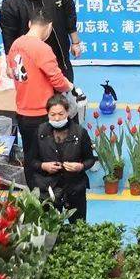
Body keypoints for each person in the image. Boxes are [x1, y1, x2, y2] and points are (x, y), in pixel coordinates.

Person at [9, 14, 73, 180]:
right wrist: (69, 86)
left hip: (22, 111)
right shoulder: (42, 48)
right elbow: (57, 80)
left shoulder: (16, 44)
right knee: (50, 158)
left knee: (31, 157)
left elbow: (11, 72)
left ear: (30, 23)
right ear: (49, 26)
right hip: (42, 114)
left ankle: (33, 197)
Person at [0, 0, 81, 83]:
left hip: (58, 55)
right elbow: (8, 37)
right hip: (29, 58)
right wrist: (10, 63)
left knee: (63, 87)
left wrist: (75, 43)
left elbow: (70, 18)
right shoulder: (11, 4)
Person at [34, 92, 95, 220]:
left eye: (61, 114)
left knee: (78, 226)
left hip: (74, 188)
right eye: (53, 114)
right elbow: (31, 160)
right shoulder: (40, 132)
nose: (57, 118)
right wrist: (43, 166)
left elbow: (90, 159)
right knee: (50, 228)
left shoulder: (80, 133)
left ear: (67, 112)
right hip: (48, 189)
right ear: (47, 114)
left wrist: (80, 166)